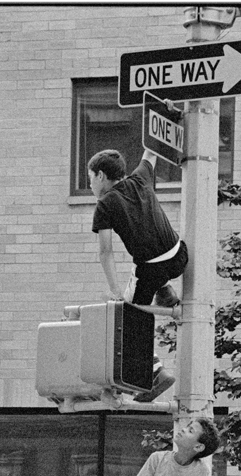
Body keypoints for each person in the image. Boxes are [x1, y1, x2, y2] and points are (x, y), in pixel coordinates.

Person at [88, 147, 188, 402]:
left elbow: (105, 252)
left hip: (152, 268)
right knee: (147, 266)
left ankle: (156, 373)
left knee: (128, 313)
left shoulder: (105, 204)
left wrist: (114, 291)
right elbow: (150, 153)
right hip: (178, 255)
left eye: (90, 179)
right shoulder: (140, 176)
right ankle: (165, 292)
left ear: (101, 176)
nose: (90, 185)